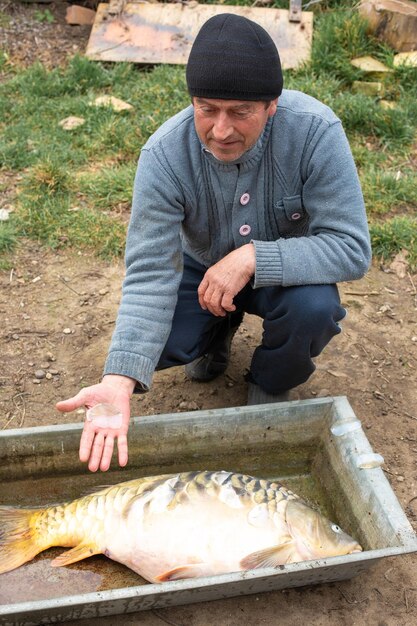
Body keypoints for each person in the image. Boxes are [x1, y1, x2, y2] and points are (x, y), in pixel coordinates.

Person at [56, 13, 371, 472]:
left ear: (271, 106)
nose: (221, 130)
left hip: (284, 275)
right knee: (151, 346)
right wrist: (118, 380)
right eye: (207, 108)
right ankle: (213, 335)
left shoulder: (315, 133)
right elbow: (150, 273)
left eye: (240, 112)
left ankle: (270, 377)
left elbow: (351, 248)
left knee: (314, 309)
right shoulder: (163, 155)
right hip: (198, 269)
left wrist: (253, 258)